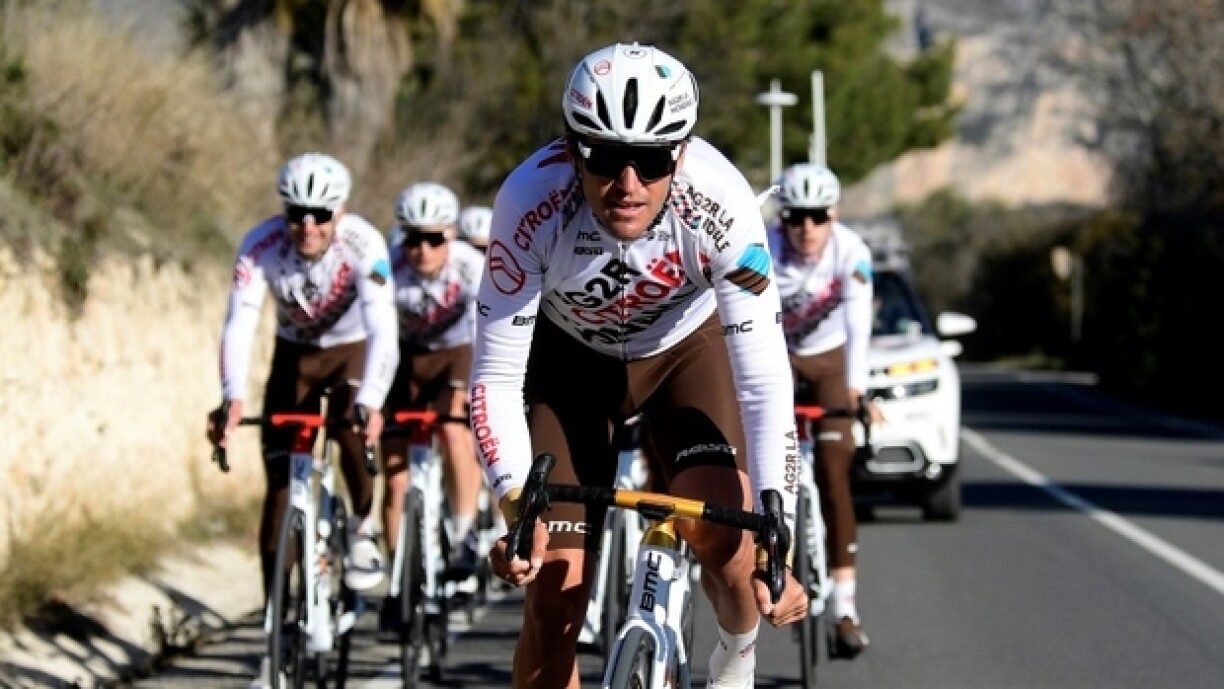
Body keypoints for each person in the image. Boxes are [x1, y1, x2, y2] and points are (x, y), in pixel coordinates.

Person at [470, 42, 808, 689]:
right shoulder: (528, 201)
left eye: (651, 160)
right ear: (572, 150)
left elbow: (764, 384)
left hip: (685, 354)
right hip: (570, 366)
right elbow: (493, 378)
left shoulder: (721, 203)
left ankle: (735, 660)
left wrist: (777, 535)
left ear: (679, 153)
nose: (628, 184)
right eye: (603, 156)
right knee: (552, 595)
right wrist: (517, 504)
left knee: (731, 541)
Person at [206, 152, 399, 689]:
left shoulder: (365, 244)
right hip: (293, 358)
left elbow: (385, 329)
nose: (307, 226)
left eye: (319, 214)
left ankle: (361, 527)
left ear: (339, 213)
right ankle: (276, 624)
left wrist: (375, 399)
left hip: (351, 352)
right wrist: (233, 396)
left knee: (352, 429)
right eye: (296, 213)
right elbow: (239, 324)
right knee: (279, 488)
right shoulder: (260, 245)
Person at [767, 161, 881, 658]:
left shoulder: (852, 252)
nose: (806, 228)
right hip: (780, 357)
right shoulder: (765, 248)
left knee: (835, 478)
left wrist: (856, 389)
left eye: (817, 217)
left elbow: (859, 325)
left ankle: (845, 609)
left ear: (833, 214)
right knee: (772, 467)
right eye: (795, 217)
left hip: (832, 361)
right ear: (782, 218)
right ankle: (778, 571)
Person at [380, 182, 487, 606]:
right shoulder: (389, 269)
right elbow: (376, 337)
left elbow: (486, 328)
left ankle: (462, 535)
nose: (422, 250)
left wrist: (469, 388)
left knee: (453, 430)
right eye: (412, 238)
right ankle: (396, 579)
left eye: (433, 239)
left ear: (451, 237)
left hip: (457, 353)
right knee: (395, 479)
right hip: (406, 357)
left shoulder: (470, 266)